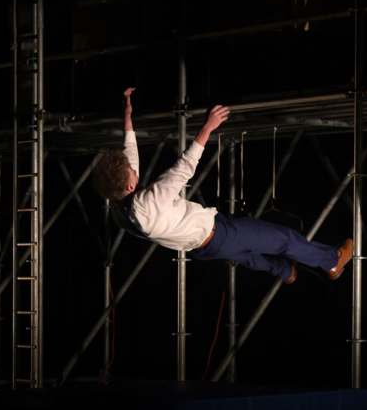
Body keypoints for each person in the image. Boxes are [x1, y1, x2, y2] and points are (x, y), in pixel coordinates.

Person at [92, 88, 353, 284]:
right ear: (129, 186)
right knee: (283, 239)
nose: (134, 169)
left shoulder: (120, 211)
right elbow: (185, 167)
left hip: (202, 248)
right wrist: (209, 127)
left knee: (249, 257)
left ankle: (285, 272)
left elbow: (130, 160)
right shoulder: (151, 200)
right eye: (131, 173)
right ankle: (331, 262)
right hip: (219, 234)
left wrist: (127, 116)